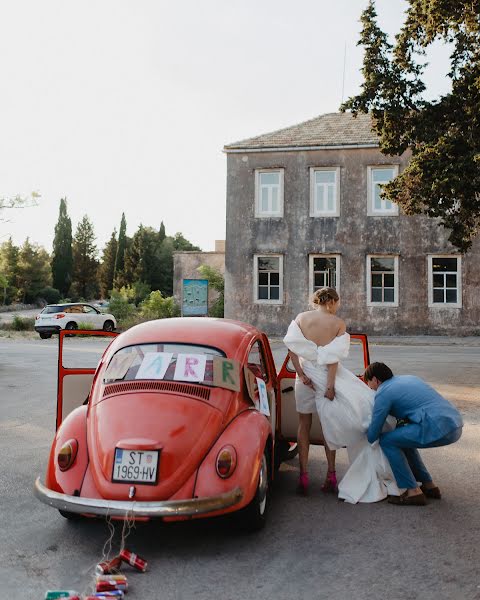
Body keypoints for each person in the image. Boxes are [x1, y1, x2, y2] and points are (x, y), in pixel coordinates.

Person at [284, 287, 400, 503]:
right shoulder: (337, 324)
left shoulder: (301, 318)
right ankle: (331, 475)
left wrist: (301, 374)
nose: (338, 307)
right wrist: (329, 387)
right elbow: (332, 359)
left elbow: (291, 349)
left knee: (303, 424)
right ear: (332, 302)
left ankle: (303, 476)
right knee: (331, 425)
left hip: (305, 378)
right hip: (326, 380)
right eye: (338, 303)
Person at [364, 362, 463, 506]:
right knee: (401, 439)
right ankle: (429, 485)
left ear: (375, 380)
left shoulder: (383, 392)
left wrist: (363, 438)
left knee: (387, 441)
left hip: (435, 427)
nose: (369, 387)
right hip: (455, 424)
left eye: (368, 382)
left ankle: (413, 491)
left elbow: (375, 429)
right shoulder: (410, 378)